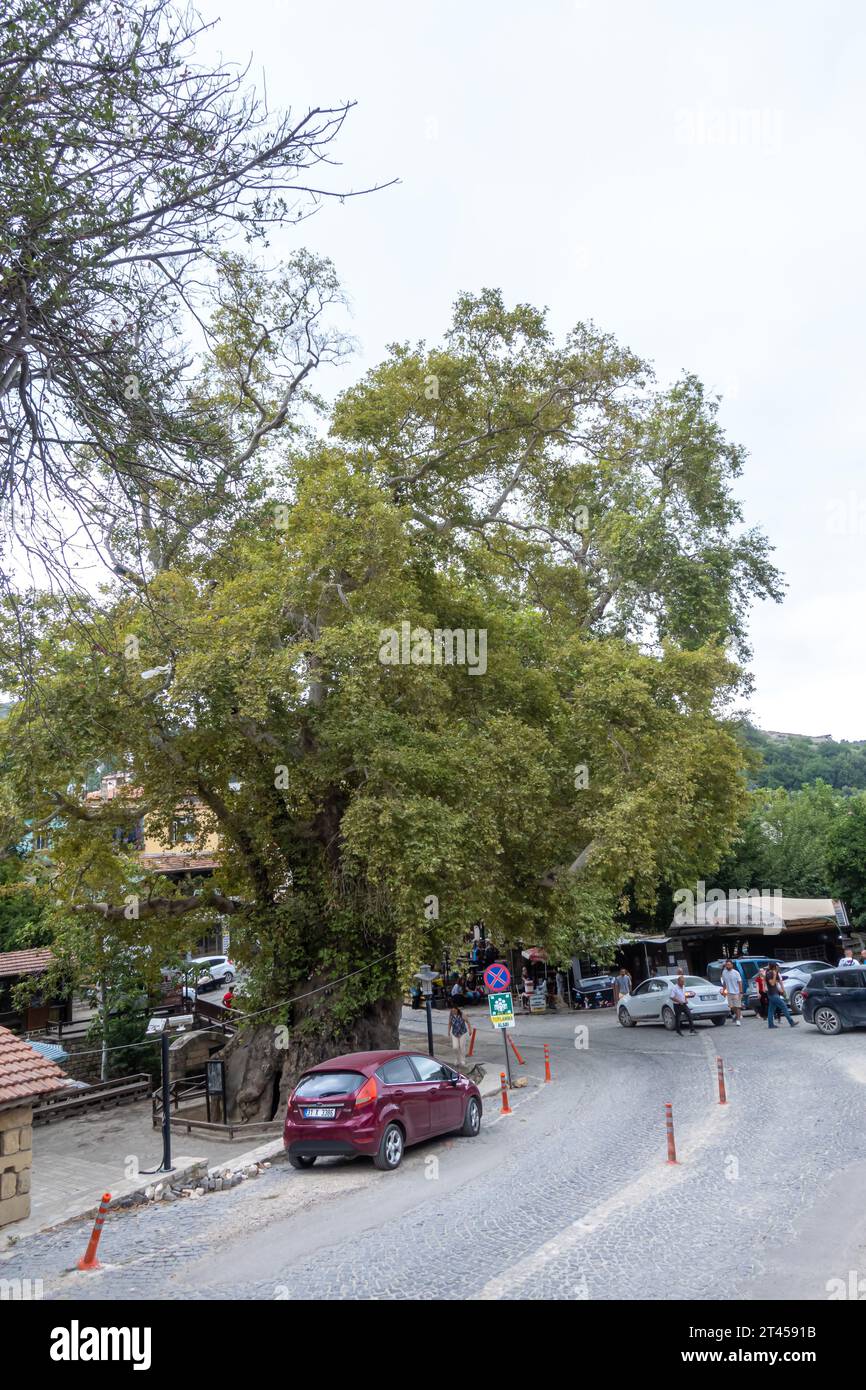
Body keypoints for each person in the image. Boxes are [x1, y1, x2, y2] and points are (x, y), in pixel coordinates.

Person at [721, 958, 743, 1026]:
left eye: (729, 964)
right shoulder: (724, 972)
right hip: (729, 992)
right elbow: (724, 982)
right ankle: (737, 1015)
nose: (728, 966)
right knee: (732, 1007)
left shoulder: (736, 973)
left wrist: (741, 992)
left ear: (732, 965)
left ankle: (738, 1020)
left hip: (736, 992)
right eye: (727, 965)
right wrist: (724, 990)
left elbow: (740, 982)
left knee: (737, 1006)